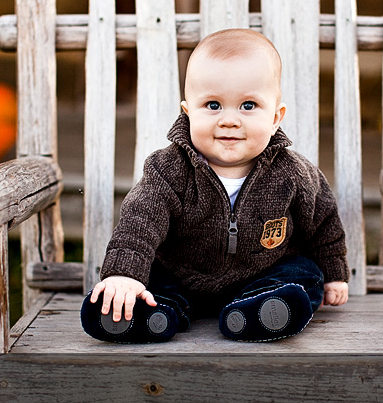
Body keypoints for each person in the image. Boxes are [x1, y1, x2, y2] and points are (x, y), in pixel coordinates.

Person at [81, 28, 348, 344]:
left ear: (276, 117)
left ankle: (261, 311)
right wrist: (124, 274)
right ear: (188, 112)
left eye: (248, 106)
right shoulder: (168, 169)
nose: (230, 120)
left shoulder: (292, 174)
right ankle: (152, 313)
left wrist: (334, 273)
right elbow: (139, 222)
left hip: (262, 275)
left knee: (305, 273)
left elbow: (324, 222)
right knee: (152, 275)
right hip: (181, 276)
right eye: (212, 105)